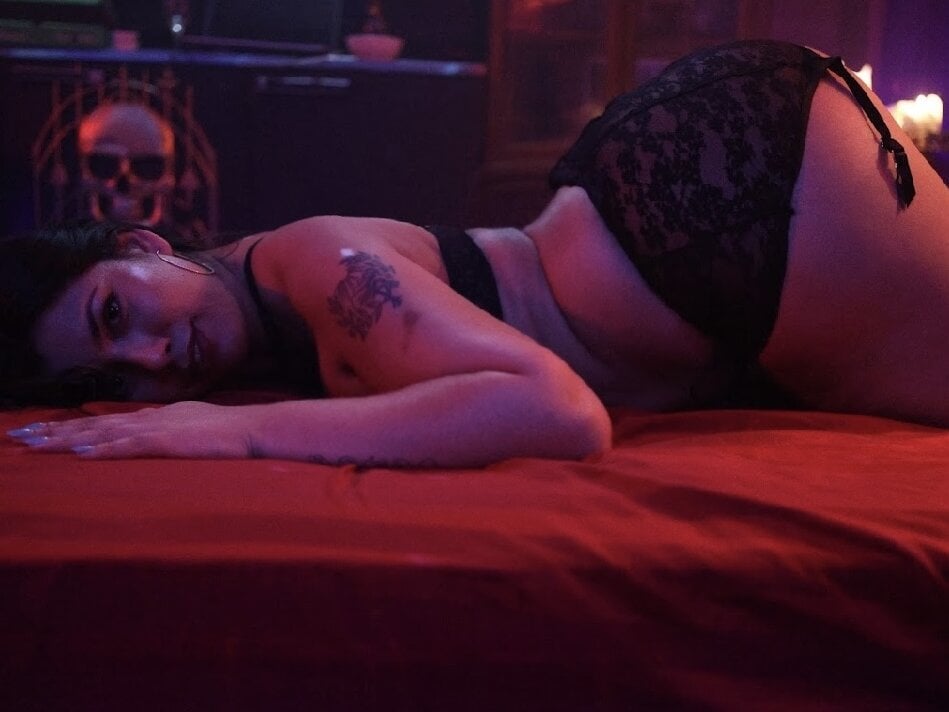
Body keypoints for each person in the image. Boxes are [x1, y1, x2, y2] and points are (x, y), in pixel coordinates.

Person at [3, 40, 949, 467]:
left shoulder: (310, 259)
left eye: (115, 312)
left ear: (143, 242)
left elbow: (557, 412)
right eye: (116, 379)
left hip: (723, 197)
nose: (151, 358)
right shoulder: (268, 318)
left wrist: (239, 433)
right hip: (686, 248)